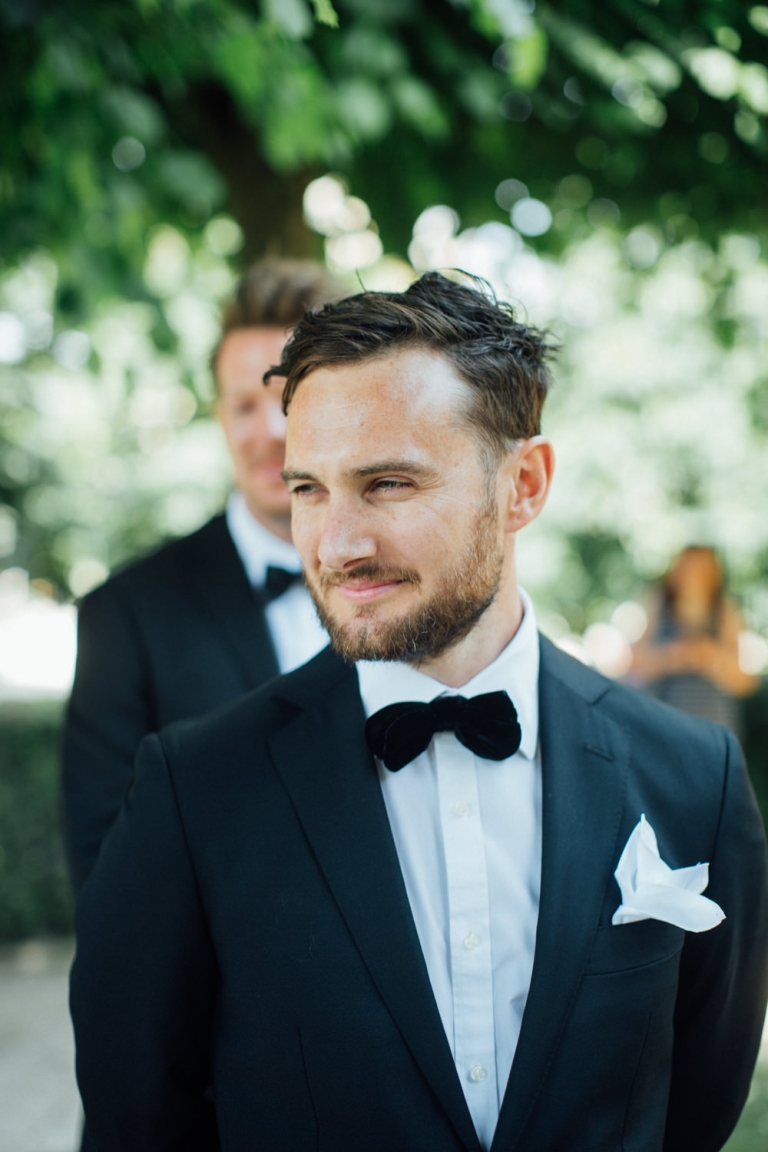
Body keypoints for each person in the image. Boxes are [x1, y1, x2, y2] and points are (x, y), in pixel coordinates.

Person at [70, 273, 768, 1152]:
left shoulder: (695, 779)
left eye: (389, 483)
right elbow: (139, 1116)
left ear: (523, 485)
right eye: (309, 489)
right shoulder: (194, 791)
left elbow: (696, 1103)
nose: (337, 544)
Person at [61, 258, 340, 893]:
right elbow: (110, 873)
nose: (269, 430)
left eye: (291, 397)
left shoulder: (415, 588)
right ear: (219, 417)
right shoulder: (124, 615)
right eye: (243, 405)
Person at [629, 545, 758, 738]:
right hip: (664, 724)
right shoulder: (658, 607)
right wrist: (674, 656)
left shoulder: (725, 612)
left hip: (713, 728)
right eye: (688, 568)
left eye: (701, 569)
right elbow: (633, 670)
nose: (693, 576)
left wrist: (707, 657)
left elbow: (745, 682)